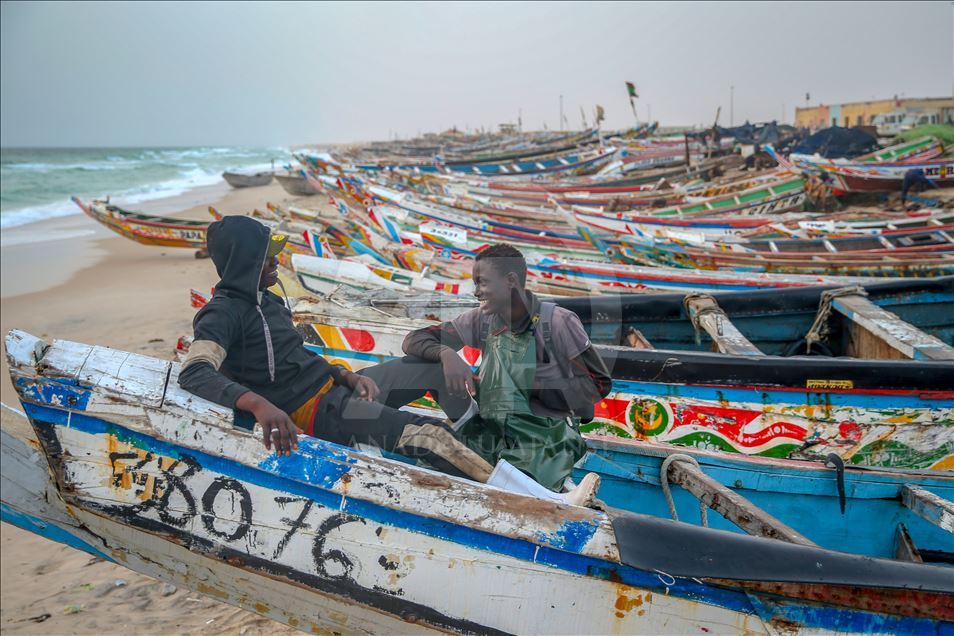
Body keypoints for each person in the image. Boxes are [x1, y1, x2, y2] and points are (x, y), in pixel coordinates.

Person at [178, 217, 599, 505]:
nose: (275, 262)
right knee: (431, 436)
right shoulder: (223, 313)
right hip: (316, 412)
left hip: (335, 390)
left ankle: (479, 448)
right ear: (244, 262)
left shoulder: (266, 301)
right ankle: (543, 499)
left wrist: (342, 374)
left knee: (430, 370)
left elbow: (295, 360)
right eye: (267, 256)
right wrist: (257, 404)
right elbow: (195, 372)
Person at [402, 244, 612, 501]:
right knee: (435, 458)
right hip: (491, 428)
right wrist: (446, 354)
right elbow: (415, 339)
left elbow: (599, 383)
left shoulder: (558, 322)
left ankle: (559, 498)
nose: (477, 292)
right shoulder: (482, 320)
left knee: (514, 484)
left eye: (482, 283)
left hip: (546, 437)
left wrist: (542, 390)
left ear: (511, 281)